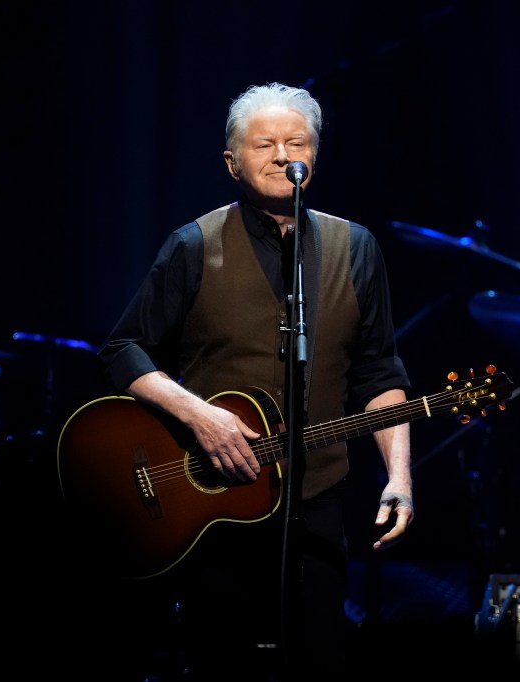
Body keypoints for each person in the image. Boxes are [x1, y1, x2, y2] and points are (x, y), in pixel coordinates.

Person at [94, 82, 414, 681]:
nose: (281, 154)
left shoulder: (355, 248)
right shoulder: (194, 245)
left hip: (316, 501)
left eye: (297, 142)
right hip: (215, 503)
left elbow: (380, 372)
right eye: (263, 143)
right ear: (231, 162)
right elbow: (122, 349)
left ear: (313, 157)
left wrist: (399, 476)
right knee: (222, 668)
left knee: (320, 663)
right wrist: (199, 415)